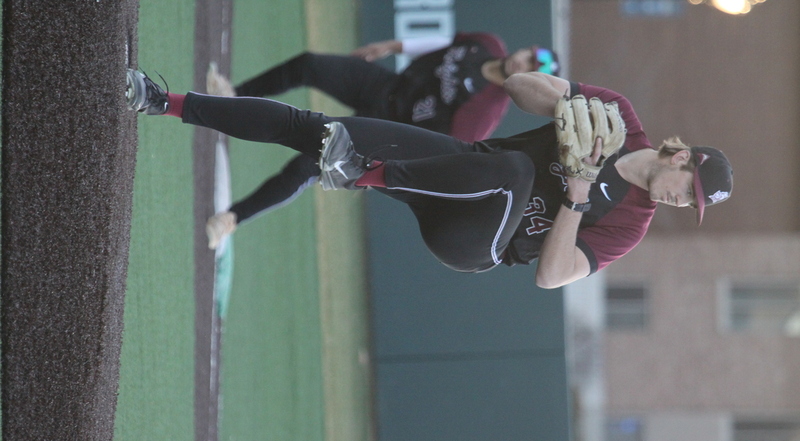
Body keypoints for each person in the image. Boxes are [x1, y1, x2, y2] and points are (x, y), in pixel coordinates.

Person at [125, 68, 733, 288]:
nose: (682, 201)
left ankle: (366, 173)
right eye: (690, 189)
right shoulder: (617, 117)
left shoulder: (629, 224)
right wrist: (565, 106)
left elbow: (550, 277)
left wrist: (576, 197)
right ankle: (161, 100)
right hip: (456, 168)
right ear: (681, 157)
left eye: (692, 205)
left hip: (478, 240)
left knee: (516, 172)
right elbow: (517, 86)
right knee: (311, 129)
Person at [203, 35, 559, 237]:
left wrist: (383, 170)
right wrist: (389, 47)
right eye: (531, 56)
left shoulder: (485, 111)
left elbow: (444, 154)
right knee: (310, 64)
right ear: (527, 49)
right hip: (387, 88)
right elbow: (444, 42)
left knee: (306, 165)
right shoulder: (488, 44)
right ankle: (234, 94)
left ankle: (233, 218)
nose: (524, 63)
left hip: (387, 133)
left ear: (530, 80)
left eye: (533, 69)